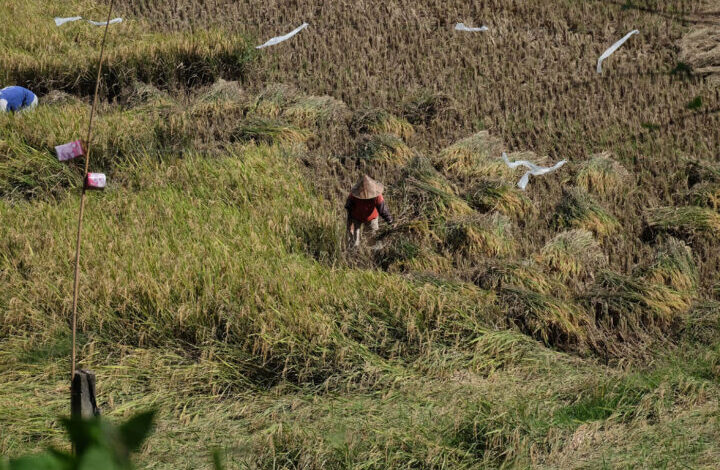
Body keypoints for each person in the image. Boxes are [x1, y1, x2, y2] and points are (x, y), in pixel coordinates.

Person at [345, 174, 394, 248]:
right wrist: (350, 225)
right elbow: (349, 208)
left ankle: (370, 253)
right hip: (356, 218)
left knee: (372, 240)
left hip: (371, 218)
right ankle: (353, 254)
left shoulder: (377, 196)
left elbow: (383, 210)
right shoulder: (353, 195)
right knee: (354, 242)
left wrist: (390, 221)